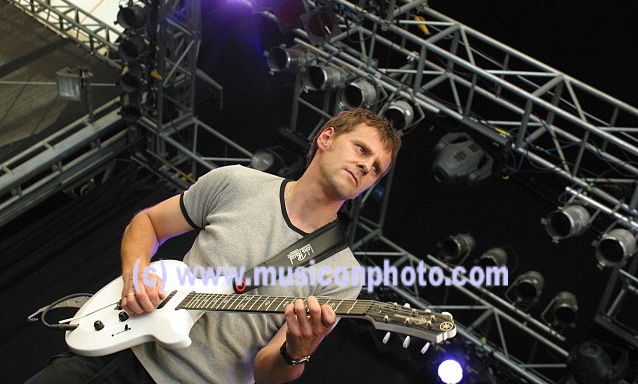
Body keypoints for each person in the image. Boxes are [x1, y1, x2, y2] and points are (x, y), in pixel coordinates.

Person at [28, 107, 402, 383]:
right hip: (118, 354)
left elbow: (267, 374)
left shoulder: (343, 273)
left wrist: (296, 353)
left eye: (377, 169)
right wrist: (136, 278)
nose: (366, 167)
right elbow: (148, 223)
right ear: (326, 137)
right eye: (361, 149)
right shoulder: (237, 183)